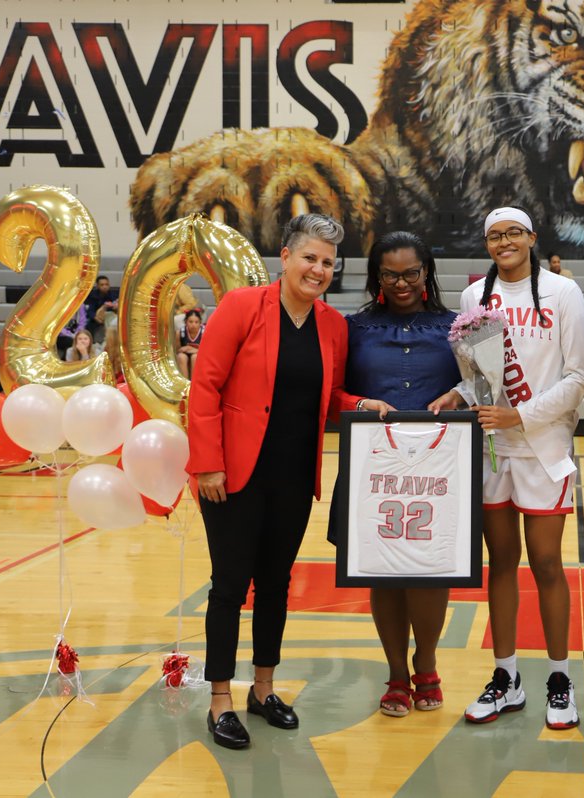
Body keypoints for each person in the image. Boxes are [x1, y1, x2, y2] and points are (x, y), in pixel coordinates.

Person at [187, 214, 386, 751]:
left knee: (277, 586)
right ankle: (221, 700)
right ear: (286, 257)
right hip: (233, 476)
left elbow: (330, 397)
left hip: (295, 477)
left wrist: (361, 404)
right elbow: (204, 385)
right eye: (310, 258)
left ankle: (264, 689)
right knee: (230, 587)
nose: (318, 270)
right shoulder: (241, 307)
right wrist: (208, 463)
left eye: (327, 262)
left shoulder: (332, 326)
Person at [430, 207, 584, 731]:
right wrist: (459, 394)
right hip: (493, 448)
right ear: (486, 244)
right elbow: (478, 375)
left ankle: (560, 679)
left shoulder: (564, 293)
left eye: (514, 233)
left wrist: (520, 413)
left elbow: (579, 379)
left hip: (544, 447)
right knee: (500, 562)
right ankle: (507, 677)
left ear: (531, 238)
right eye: (495, 236)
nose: (505, 241)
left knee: (546, 563)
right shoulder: (474, 297)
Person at [331, 230, 462, 718]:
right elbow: (331, 394)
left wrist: (463, 395)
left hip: (440, 470)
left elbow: (491, 387)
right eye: (391, 274)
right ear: (376, 277)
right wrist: (361, 403)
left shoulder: (462, 326)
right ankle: (395, 673)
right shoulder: (352, 329)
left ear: (426, 272)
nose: (402, 283)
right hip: (373, 469)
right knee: (381, 572)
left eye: (411, 272)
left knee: (431, 573)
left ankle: (425, 662)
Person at [84, 276, 119, 343]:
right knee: (89, 325)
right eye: (102, 285)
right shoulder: (92, 295)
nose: (104, 287)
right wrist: (96, 318)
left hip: (111, 316)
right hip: (96, 318)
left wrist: (115, 306)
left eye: (106, 284)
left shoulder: (114, 294)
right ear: (97, 286)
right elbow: (90, 311)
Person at [176, 309, 204, 378]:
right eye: (190, 322)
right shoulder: (180, 332)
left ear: (200, 323)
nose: (193, 325)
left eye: (196, 322)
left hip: (199, 355)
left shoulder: (204, 332)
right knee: (181, 356)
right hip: (185, 355)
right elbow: (178, 350)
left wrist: (190, 348)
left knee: (195, 357)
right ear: (186, 322)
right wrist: (186, 349)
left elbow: (207, 351)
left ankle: (194, 382)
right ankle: (185, 384)